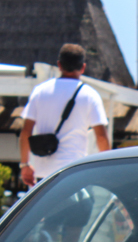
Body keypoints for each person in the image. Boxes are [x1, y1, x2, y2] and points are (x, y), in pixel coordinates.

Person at [19, 44, 110, 187]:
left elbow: (26, 131)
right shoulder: (90, 95)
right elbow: (101, 137)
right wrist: (106, 169)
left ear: (59, 65)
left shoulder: (40, 91)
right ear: (83, 67)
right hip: (73, 172)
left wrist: (25, 164)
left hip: (44, 175)